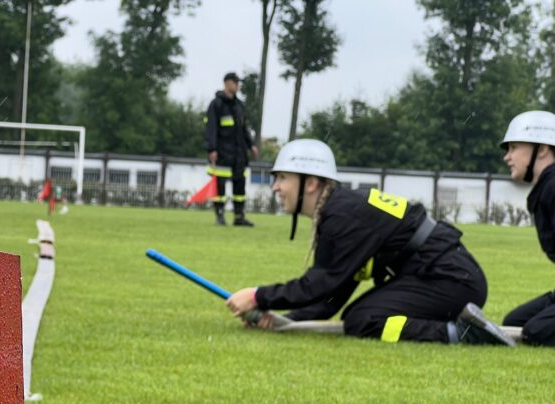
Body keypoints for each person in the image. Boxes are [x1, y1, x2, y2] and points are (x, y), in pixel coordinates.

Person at [225, 138, 515, 346]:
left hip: (450, 280)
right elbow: (331, 295)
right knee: (358, 316)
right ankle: (460, 329)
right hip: (448, 275)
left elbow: (321, 283)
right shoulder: (341, 210)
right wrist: (281, 319)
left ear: (310, 183)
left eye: (282, 178)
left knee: (363, 320)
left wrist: (257, 296)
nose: (275, 186)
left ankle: (460, 335)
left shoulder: (340, 217)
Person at [500, 110, 555, 346]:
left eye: (513, 147)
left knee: (536, 332)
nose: (507, 157)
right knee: (515, 321)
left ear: (542, 149)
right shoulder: (547, 187)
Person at [204, 72, 259, 227]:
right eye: (235, 82)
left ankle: (239, 217)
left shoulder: (239, 106)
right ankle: (220, 216)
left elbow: (244, 129)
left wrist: (251, 145)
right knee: (220, 186)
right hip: (222, 152)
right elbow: (211, 128)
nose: (237, 85)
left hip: (239, 153)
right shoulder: (216, 104)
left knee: (239, 186)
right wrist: (212, 149)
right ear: (227, 83)